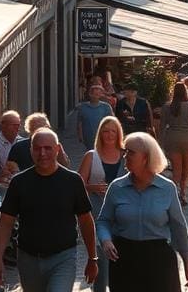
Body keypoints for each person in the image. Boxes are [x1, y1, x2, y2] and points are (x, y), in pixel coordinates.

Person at [0, 129, 98, 292]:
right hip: (28, 259)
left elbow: (85, 220)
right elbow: (6, 222)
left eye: (48, 148)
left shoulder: (72, 181)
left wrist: (92, 258)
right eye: (37, 148)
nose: (42, 153)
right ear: (30, 150)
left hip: (63, 258)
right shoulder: (19, 182)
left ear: (57, 149)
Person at [97, 132, 188, 291]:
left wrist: (187, 261)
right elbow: (103, 220)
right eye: (125, 151)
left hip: (158, 260)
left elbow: (179, 227)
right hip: (125, 258)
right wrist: (106, 240)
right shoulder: (116, 187)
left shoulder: (167, 188)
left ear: (146, 158)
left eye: (131, 152)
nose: (125, 156)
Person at [78, 116, 127, 292]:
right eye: (105, 131)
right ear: (100, 133)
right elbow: (77, 185)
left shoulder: (126, 155)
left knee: (121, 260)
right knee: (101, 258)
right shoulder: (91, 156)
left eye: (113, 131)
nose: (109, 135)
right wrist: (91, 187)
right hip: (97, 215)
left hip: (123, 216)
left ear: (118, 133)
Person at [0, 110, 23, 185]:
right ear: (3, 125)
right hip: (2, 187)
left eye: (18, 125)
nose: (17, 128)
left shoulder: (22, 142)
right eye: (14, 125)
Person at [77, 83, 114, 149]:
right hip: (88, 136)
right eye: (94, 94)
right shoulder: (83, 107)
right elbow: (79, 122)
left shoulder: (106, 107)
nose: (95, 96)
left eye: (98, 94)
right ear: (90, 94)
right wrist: (80, 135)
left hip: (102, 135)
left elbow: (111, 121)